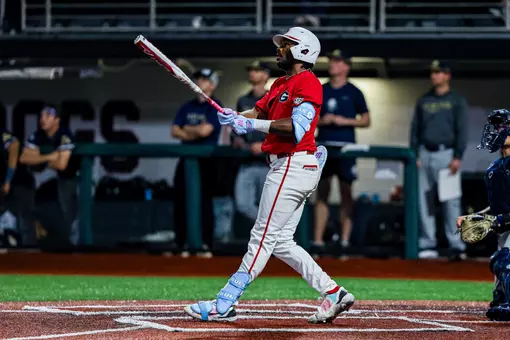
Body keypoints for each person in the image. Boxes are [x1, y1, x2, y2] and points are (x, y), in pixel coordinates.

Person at [184, 27, 355, 323]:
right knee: (282, 241)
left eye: (286, 45)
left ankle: (224, 302)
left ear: (302, 51)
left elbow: (296, 127)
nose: (279, 49)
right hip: (288, 165)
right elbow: (261, 113)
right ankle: (333, 292)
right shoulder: (280, 83)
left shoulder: (309, 83)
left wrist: (251, 127)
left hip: (292, 164)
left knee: (261, 236)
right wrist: (236, 117)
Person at [313, 49, 370, 258]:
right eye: (331, 61)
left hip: (346, 147)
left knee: (346, 192)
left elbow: (366, 120)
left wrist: (343, 121)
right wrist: (323, 121)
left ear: (346, 66)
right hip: (324, 146)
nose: (333, 65)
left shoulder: (354, 91)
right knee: (322, 192)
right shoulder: (320, 89)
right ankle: (318, 242)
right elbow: (308, 117)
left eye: (337, 62)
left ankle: (344, 241)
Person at [410, 60, 468, 261]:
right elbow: (415, 129)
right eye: (433, 72)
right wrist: (415, 154)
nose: (434, 76)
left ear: (447, 75)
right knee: (424, 202)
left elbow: (462, 130)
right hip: (425, 154)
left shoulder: (456, 101)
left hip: (447, 154)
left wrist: (458, 156)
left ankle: (456, 244)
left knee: (451, 202)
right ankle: (428, 243)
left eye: (438, 72)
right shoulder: (424, 100)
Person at [456, 108, 510, 321]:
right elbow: (496, 205)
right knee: (499, 266)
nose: (496, 131)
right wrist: (474, 216)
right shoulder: (495, 168)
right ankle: (503, 298)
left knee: (505, 260)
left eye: (502, 127)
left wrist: (497, 220)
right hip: (506, 227)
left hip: (506, 225)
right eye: (495, 127)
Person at [171, 68, 222, 258]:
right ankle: (181, 243)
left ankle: (205, 244)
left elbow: (205, 131)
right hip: (185, 160)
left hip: (206, 161)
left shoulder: (215, 105)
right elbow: (174, 131)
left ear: (213, 84)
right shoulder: (186, 106)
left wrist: (187, 130)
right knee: (181, 200)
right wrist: (194, 130)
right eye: (199, 79)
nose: (200, 82)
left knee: (204, 202)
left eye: (205, 79)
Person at [20, 105, 79, 247]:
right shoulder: (37, 135)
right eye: (42, 116)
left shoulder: (65, 135)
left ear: (57, 119)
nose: (43, 119)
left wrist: (38, 157)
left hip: (70, 180)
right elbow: (24, 158)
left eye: (48, 116)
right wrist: (49, 157)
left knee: (69, 217)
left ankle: (72, 248)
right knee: (32, 215)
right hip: (42, 183)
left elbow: (61, 165)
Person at [232, 60, 271, 223]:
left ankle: (275, 239)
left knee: (270, 207)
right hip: (247, 160)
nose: (252, 73)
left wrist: (264, 146)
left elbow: (281, 129)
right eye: (251, 70)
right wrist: (238, 140)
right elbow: (237, 129)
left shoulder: (273, 99)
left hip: (269, 162)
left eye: (256, 70)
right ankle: (271, 231)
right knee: (243, 204)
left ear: (265, 75)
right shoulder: (243, 100)